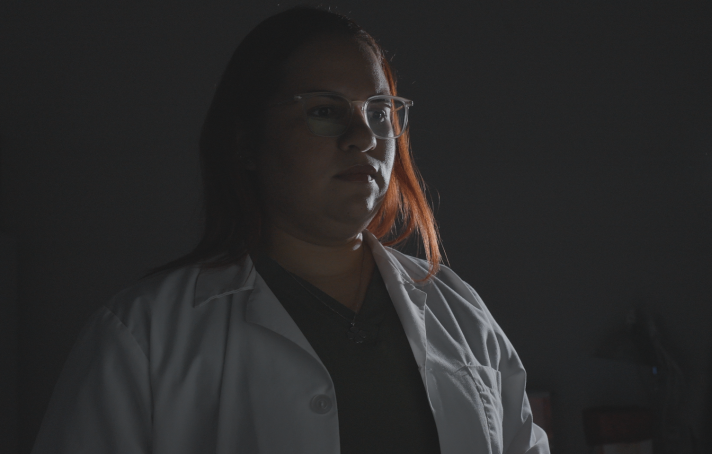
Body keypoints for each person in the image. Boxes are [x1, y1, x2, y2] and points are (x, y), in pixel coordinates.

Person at [31, 6, 549, 454]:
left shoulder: (462, 314)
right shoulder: (142, 336)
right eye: (324, 111)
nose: (363, 137)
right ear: (245, 143)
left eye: (379, 113)